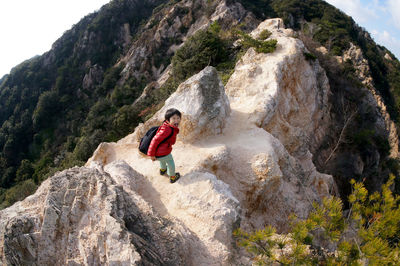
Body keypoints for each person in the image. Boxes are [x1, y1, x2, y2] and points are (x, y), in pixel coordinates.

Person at [147, 108, 181, 183]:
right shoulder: (167, 129)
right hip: (162, 152)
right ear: (168, 120)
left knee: (162, 160)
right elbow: (154, 140)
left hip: (159, 153)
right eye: (174, 118)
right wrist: (151, 154)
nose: (177, 120)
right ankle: (172, 177)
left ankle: (163, 170)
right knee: (170, 162)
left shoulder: (167, 127)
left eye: (178, 118)